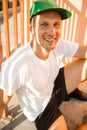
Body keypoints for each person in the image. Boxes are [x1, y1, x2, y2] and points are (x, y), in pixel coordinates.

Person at [0, 0, 87, 129]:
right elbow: (3, 98)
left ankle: (70, 92)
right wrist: (3, 112)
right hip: (41, 109)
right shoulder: (17, 65)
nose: (52, 32)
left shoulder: (59, 44)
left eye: (56, 24)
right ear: (32, 29)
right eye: (44, 24)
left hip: (53, 84)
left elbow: (83, 51)